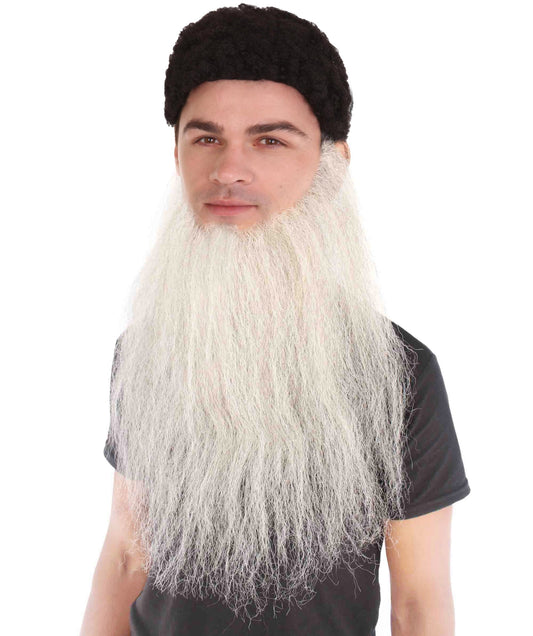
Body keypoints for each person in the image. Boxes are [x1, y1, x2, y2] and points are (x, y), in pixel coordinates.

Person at [81, 5, 470, 635]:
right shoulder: (146, 352)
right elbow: (127, 553)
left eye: (270, 140)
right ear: (177, 154)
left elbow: (419, 604)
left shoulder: (399, 375)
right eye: (206, 138)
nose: (228, 170)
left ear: (332, 161)